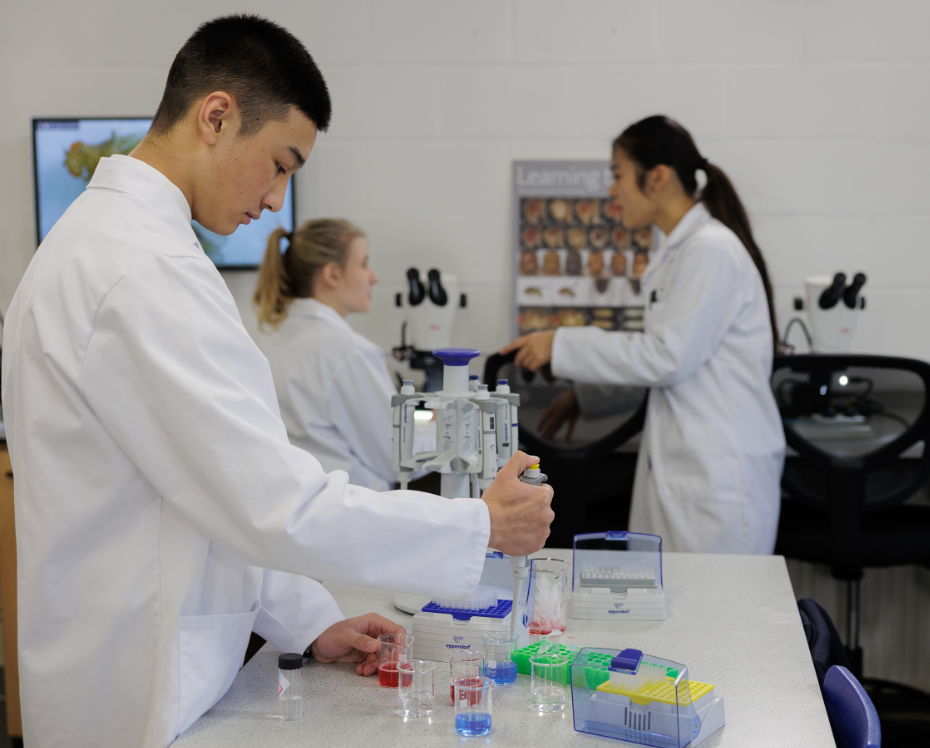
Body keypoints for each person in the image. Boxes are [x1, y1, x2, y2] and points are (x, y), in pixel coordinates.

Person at [2, 15, 553, 748]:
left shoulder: (122, 248)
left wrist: (310, 619)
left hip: (147, 672)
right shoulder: (138, 270)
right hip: (133, 697)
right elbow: (270, 502)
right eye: (279, 164)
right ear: (216, 117)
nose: (274, 200)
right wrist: (479, 525)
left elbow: (207, 494)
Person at [503, 114, 784, 555]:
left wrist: (560, 344)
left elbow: (666, 357)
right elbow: (673, 367)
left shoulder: (710, 251)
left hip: (718, 477)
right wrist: (588, 396)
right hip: (689, 470)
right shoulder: (681, 252)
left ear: (657, 178)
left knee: (709, 598)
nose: (612, 190)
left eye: (618, 175)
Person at [253, 219, 430, 490]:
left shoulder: (270, 340)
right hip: (352, 507)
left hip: (298, 501)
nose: (374, 277)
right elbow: (401, 460)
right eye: (364, 264)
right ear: (332, 275)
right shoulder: (348, 352)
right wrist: (450, 434)